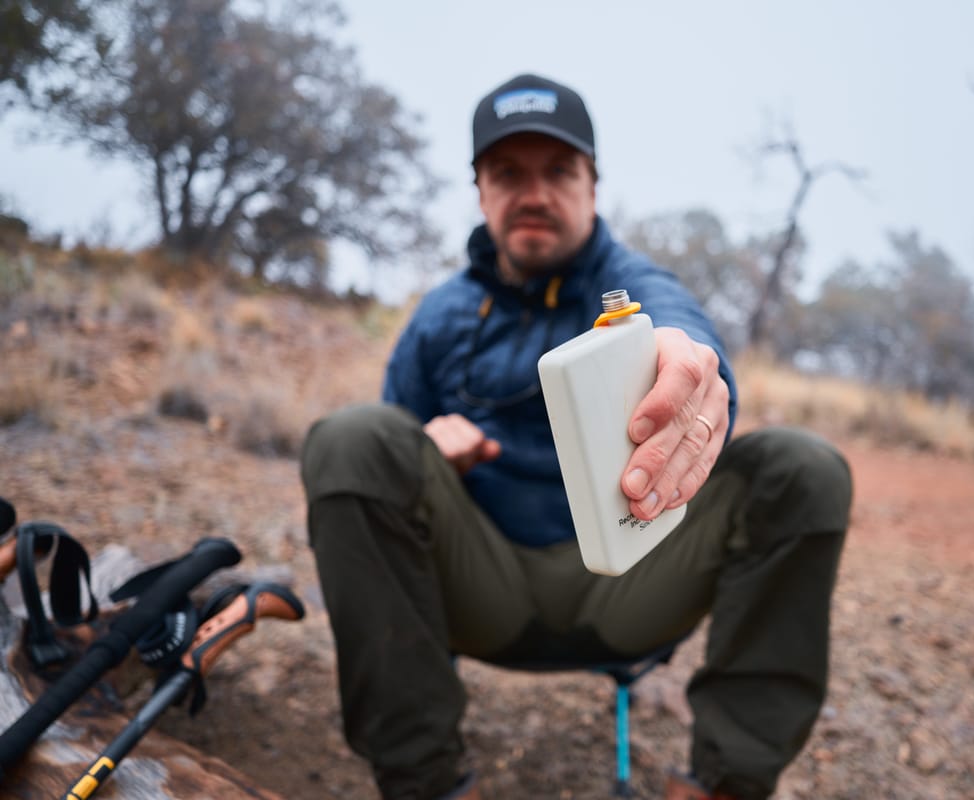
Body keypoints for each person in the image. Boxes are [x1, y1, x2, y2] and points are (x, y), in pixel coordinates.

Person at [301, 73, 852, 800]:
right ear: (480, 190)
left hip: (631, 583)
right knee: (352, 440)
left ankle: (730, 784)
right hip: (484, 585)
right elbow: (387, 463)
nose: (535, 194)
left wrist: (690, 365)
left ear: (593, 184)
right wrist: (429, 448)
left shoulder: (633, 285)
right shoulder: (439, 317)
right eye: (508, 173)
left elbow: (678, 325)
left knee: (802, 466)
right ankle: (423, 783)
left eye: (559, 171)